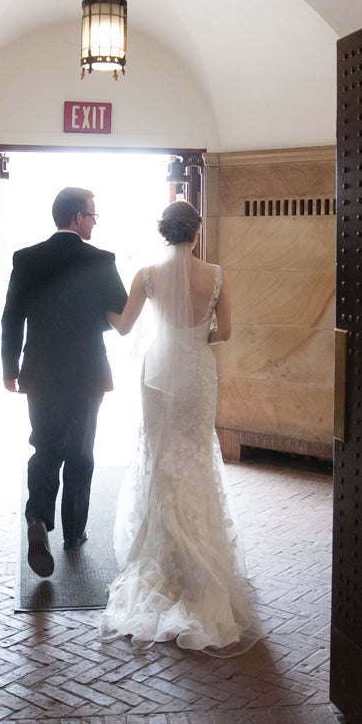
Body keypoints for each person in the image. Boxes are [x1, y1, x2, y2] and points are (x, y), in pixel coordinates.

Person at [100, 200, 263, 655]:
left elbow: (124, 327)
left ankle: (163, 557)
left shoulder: (147, 275)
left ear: (163, 233)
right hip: (197, 372)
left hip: (158, 369)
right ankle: (201, 559)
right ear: (196, 232)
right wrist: (195, 342)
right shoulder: (215, 275)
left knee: (159, 454)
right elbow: (225, 331)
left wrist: (101, 306)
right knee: (195, 452)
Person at [2, 186, 129, 578]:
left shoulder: (26, 259)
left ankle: (38, 519)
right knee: (80, 451)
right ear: (77, 217)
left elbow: (12, 318)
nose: (93, 221)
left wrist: (9, 369)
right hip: (87, 371)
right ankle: (74, 533)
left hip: (39, 370)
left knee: (44, 445)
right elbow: (120, 314)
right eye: (92, 215)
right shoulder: (101, 260)